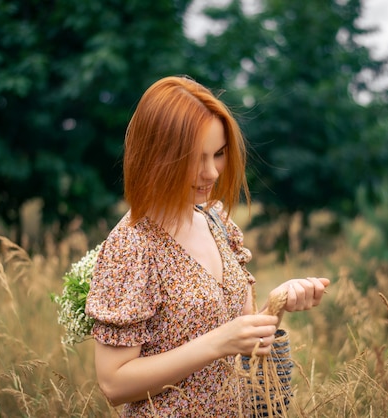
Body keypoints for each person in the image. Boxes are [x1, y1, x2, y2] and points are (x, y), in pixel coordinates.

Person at [85, 75, 329, 417]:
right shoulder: (133, 244)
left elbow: (239, 334)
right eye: (195, 158)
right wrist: (218, 343)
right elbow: (113, 383)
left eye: (218, 154)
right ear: (155, 156)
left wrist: (278, 301)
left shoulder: (216, 221)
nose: (212, 172)